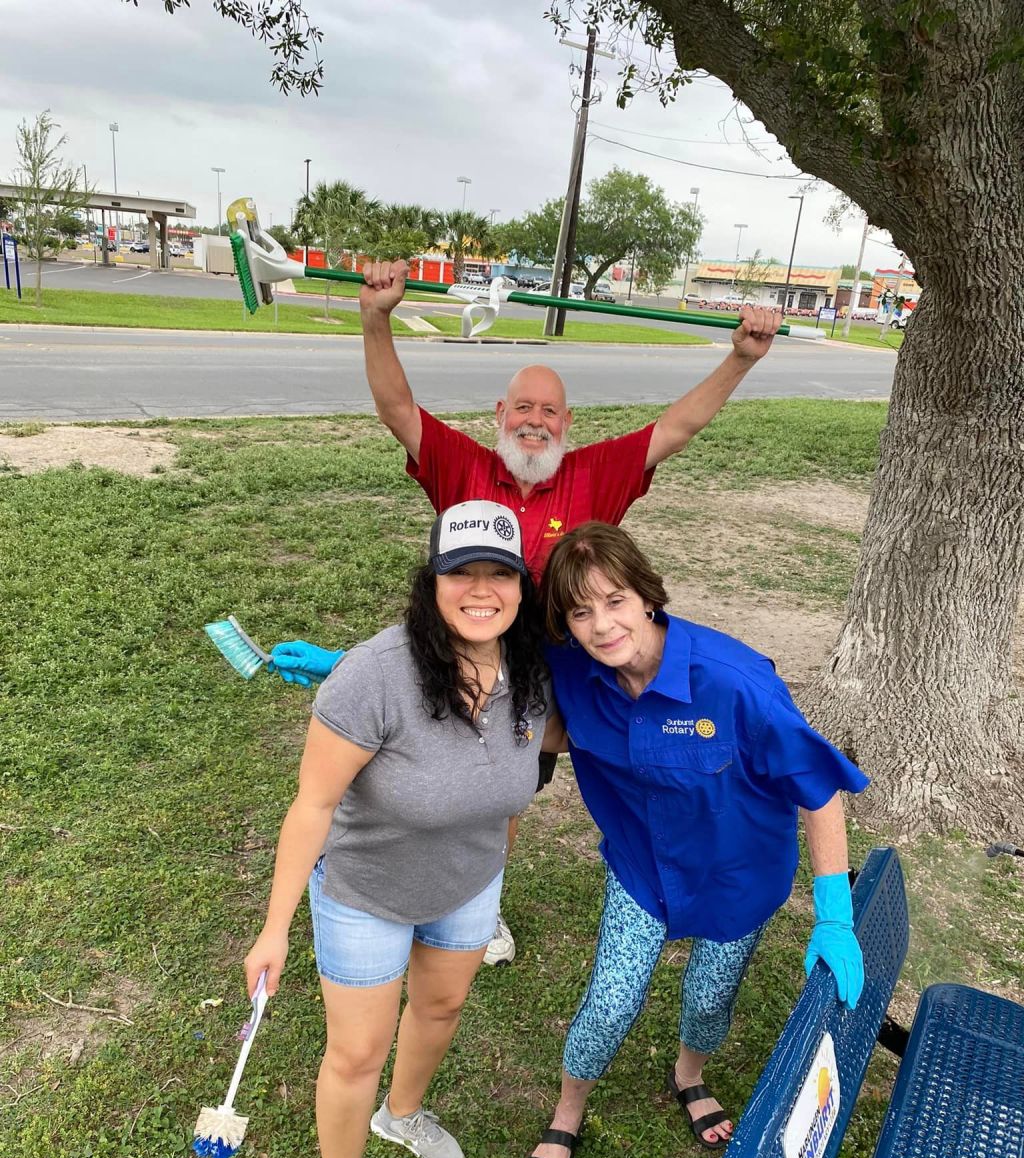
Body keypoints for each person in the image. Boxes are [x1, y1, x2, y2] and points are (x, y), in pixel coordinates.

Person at [269, 259, 785, 965]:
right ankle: (370, 886)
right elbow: (396, 409)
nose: (534, 420)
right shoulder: (462, 464)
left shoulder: (596, 472)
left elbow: (677, 428)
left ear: (567, 424)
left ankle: (478, 904)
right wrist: (375, 317)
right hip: (454, 666)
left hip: (545, 689)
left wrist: (740, 358)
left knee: (503, 798)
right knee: (411, 780)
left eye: (548, 411)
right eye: (523, 408)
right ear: (500, 417)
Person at [243, 501, 555, 1158]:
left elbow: (522, 781)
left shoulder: (535, 671)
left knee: (441, 1010)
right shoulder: (375, 675)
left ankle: (402, 1113)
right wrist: (275, 926)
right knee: (354, 1053)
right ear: (433, 580)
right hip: (366, 890)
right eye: (463, 572)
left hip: (469, 882)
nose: (481, 589)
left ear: (522, 585)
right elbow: (312, 805)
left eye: (500, 573)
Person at [526, 522, 868, 1158]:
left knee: (711, 998)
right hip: (644, 872)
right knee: (610, 1003)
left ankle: (689, 1074)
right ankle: (568, 1110)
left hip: (735, 878)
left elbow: (820, 787)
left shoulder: (735, 683)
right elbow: (471, 661)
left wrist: (834, 914)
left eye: (614, 599)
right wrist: (348, 667)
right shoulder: (569, 669)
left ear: (646, 594)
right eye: (580, 611)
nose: (602, 625)